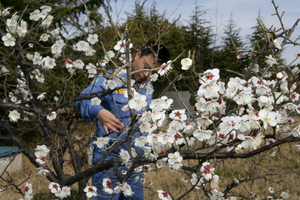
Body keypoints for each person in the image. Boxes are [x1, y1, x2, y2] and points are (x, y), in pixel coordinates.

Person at [76, 41, 170, 200]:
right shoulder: (110, 78)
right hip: (107, 162)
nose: (147, 74)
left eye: (152, 71)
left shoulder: (148, 87)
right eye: (146, 66)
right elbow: (82, 100)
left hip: (135, 163)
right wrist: (99, 112)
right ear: (138, 54)